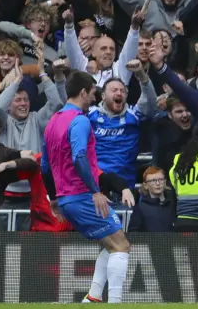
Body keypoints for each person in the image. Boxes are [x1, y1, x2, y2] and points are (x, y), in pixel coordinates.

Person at [41, 71, 131, 303]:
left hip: (66, 198)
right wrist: (95, 191)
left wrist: (53, 196)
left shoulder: (53, 121)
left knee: (109, 242)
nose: (94, 99)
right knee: (121, 244)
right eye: (92, 94)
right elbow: (79, 156)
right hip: (82, 195)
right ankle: (116, 302)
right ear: (82, 93)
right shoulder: (80, 120)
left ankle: (93, 297)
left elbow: (44, 166)